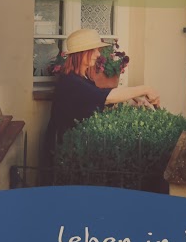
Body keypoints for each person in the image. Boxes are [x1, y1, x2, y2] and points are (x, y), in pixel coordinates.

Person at [43, 28, 159, 164]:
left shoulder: (81, 78)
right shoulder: (71, 82)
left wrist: (134, 99)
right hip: (64, 156)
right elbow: (105, 97)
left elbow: (97, 95)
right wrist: (145, 89)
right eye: (94, 50)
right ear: (82, 53)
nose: (98, 54)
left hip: (73, 150)